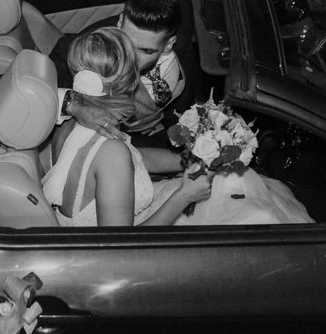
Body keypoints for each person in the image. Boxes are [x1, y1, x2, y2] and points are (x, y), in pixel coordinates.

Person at [40, 28, 211, 227]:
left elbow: (133, 157)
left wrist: (187, 160)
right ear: (130, 85)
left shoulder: (69, 118)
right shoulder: (111, 152)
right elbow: (121, 248)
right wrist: (185, 196)